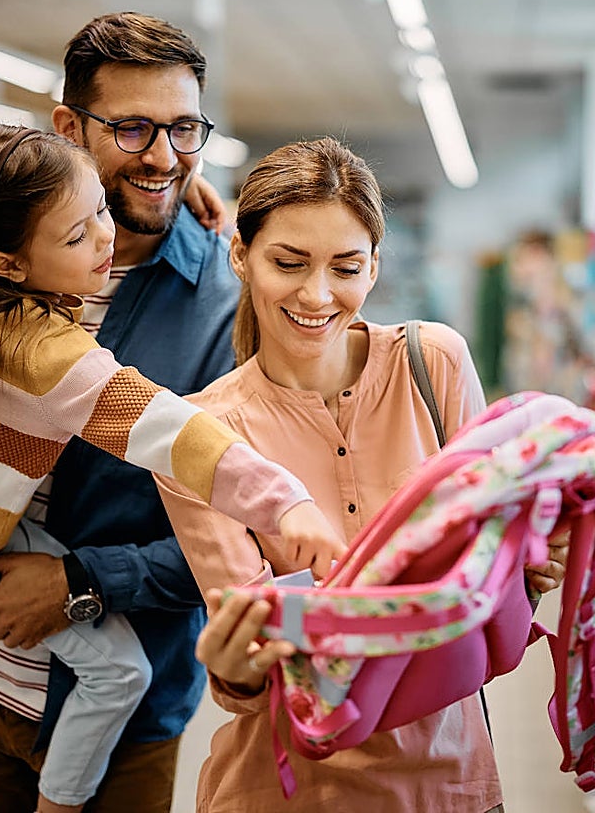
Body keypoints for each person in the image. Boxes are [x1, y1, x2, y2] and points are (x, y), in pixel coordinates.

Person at [0, 122, 343, 813]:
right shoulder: (51, 356)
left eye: (101, 208)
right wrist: (286, 502)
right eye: (78, 233)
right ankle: (61, 803)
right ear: (9, 263)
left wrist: (186, 198)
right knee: (120, 671)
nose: (106, 237)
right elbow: (178, 435)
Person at [156, 136, 567, 812]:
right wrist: (237, 669)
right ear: (241, 256)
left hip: (449, 786)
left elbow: (493, 615)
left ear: (374, 266)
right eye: (288, 262)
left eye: (345, 267)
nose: (317, 294)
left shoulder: (433, 366)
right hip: (286, 795)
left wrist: (524, 572)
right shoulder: (203, 436)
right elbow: (257, 675)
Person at [0, 13, 248, 813]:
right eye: (132, 128)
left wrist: (78, 583)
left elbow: (241, 540)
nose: (163, 156)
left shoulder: (225, 308)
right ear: (68, 127)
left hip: (122, 719)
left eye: (183, 128)